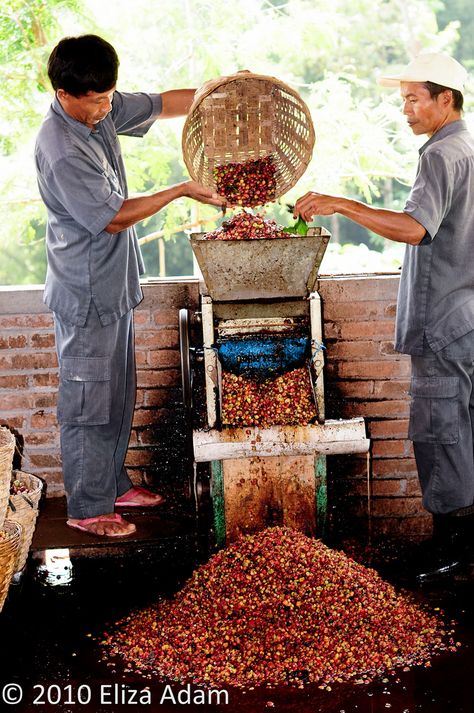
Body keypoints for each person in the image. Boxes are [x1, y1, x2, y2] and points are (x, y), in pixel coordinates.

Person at [35, 34, 225, 538]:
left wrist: (223, 93)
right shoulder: (61, 148)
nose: (104, 109)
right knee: (88, 399)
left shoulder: (100, 107)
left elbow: (165, 104)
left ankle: (112, 484)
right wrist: (183, 188)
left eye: (108, 98)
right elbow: (115, 218)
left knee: (118, 395)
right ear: (63, 94)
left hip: (114, 289)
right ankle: (88, 506)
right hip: (85, 294)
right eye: (95, 102)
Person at [294, 52, 474, 582]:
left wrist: (341, 204)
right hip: (465, 312)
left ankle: (453, 553)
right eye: (403, 99)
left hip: (444, 319)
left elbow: (415, 228)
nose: (406, 109)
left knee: (441, 430)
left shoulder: (442, 154)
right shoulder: (467, 144)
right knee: (463, 428)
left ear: (447, 98)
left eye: (414, 98)